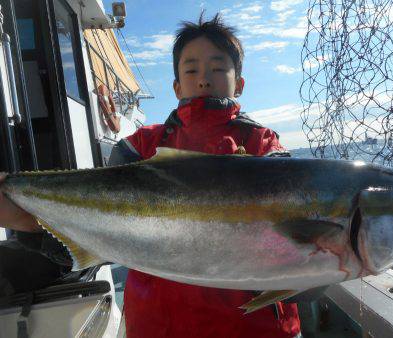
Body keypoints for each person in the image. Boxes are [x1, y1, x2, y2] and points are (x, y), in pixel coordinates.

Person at [0, 13, 301, 338]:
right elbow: (101, 232)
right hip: (160, 326)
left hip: (255, 328)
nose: (204, 79)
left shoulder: (264, 145)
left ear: (239, 83)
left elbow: (294, 219)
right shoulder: (139, 147)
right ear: (175, 85)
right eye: (191, 70)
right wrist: (31, 225)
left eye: (218, 68)